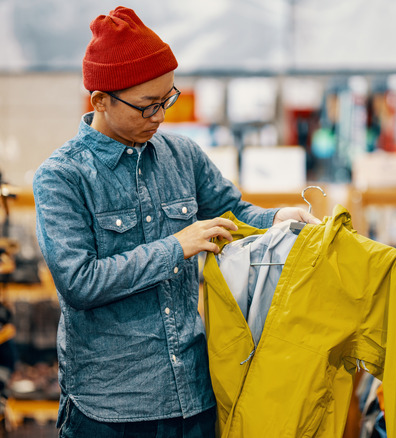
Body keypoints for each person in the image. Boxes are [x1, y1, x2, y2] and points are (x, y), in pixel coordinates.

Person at [33, 6, 320, 437]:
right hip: (111, 406)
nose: (160, 117)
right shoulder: (62, 177)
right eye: (147, 107)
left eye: (167, 99)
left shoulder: (181, 156)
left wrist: (279, 217)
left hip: (193, 395)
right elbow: (80, 282)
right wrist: (176, 247)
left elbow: (233, 213)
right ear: (100, 101)